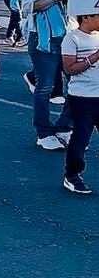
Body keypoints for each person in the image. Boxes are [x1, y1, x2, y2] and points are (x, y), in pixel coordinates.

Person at [19, 0, 74, 151]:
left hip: (71, 38)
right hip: (44, 40)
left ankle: (65, 127)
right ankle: (43, 133)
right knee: (45, 87)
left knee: (77, 85)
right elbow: (28, 7)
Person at [60, 13, 99, 194]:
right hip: (82, 97)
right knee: (81, 138)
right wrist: (95, 56)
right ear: (87, 17)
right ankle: (72, 175)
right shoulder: (72, 38)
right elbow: (69, 69)